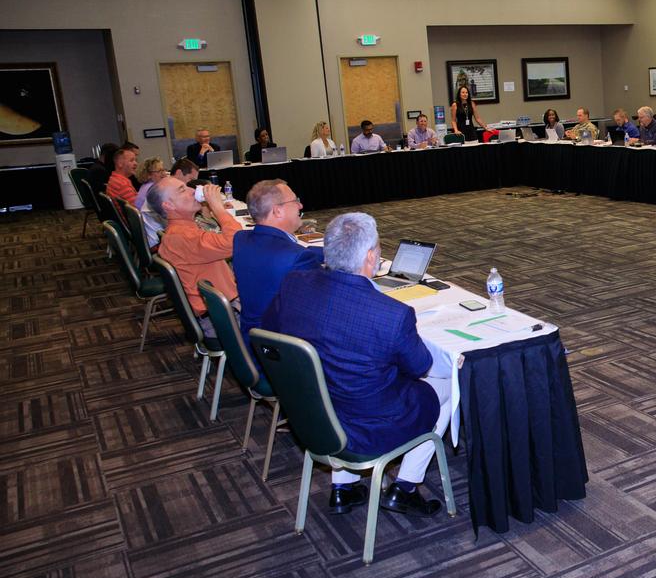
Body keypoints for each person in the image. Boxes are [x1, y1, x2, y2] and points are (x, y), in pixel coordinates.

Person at [262, 212, 447, 517]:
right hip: (365, 426)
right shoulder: (392, 314)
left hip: (313, 414)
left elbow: (270, 332)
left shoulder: (294, 284)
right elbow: (420, 366)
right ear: (371, 256)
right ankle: (405, 486)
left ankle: (342, 488)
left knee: (343, 378)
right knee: (446, 383)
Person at [232, 179, 323, 350]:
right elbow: (323, 301)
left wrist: (329, 254)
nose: (301, 205)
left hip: (250, 337)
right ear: (278, 211)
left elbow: (277, 252)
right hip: (280, 352)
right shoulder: (297, 257)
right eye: (295, 201)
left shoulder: (241, 239)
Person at [149, 175, 241, 335]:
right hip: (224, 317)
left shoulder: (179, 232)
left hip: (219, 310)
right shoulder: (184, 236)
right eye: (182, 190)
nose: (192, 190)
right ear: (168, 205)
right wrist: (218, 208)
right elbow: (237, 242)